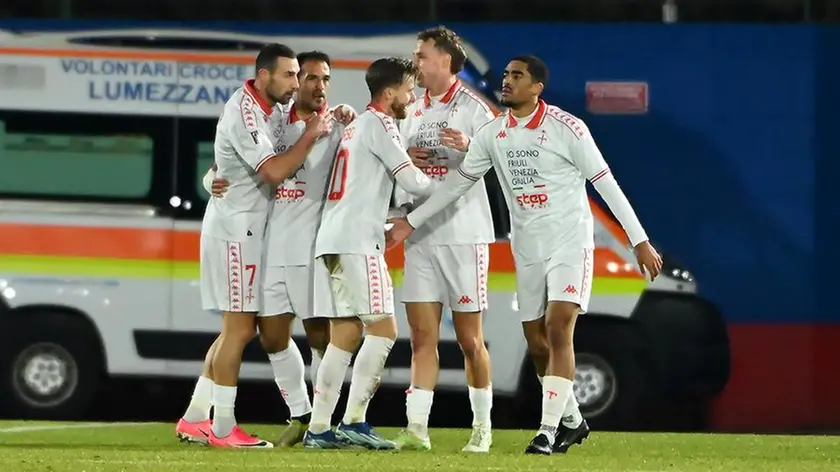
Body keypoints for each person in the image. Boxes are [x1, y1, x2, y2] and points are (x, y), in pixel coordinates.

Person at [386, 55, 663, 455]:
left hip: (569, 243)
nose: (508, 81)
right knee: (536, 343)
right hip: (527, 248)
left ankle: (547, 432)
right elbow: (457, 185)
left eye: (517, 76)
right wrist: (411, 221)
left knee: (558, 325)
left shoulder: (567, 128)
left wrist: (639, 240)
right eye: (506, 75)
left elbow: (605, 183)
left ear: (537, 88)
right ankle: (572, 420)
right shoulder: (494, 133)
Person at [174, 43, 332, 449]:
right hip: (236, 232)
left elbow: (218, 166)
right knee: (241, 329)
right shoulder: (243, 111)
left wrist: (212, 179)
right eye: (290, 75)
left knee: (231, 330)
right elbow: (276, 170)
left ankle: (194, 418)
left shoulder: (273, 109)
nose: (296, 83)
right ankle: (224, 429)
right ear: (264, 76)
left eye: (300, 75)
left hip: (246, 231)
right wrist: (313, 136)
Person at [302, 57, 433, 450]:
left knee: (345, 334)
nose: (412, 97)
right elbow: (414, 182)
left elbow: (364, 184)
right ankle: (355, 421)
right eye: (409, 89)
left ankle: (320, 428)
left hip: (335, 238)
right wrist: (432, 178)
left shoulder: (357, 124)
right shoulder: (379, 123)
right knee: (384, 330)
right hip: (358, 242)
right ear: (390, 92)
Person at [391, 26, 496, 453]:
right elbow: (399, 165)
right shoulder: (412, 109)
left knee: (471, 340)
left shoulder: (475, 109)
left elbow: (495, 162)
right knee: (421, 337)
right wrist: (407, 159)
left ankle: (482, 429)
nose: (416, 63)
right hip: (420, 238)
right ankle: (417, 429)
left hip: (464, 235)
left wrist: (472, 147)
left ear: (446, 61)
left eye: (422, 56)